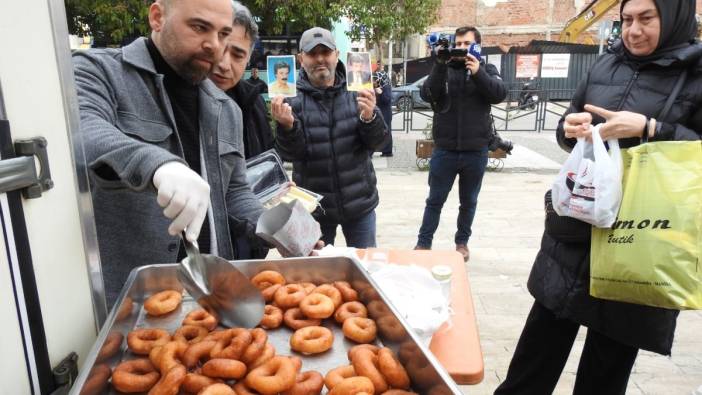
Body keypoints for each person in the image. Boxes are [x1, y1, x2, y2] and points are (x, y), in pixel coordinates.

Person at [495, 1, 702, 394]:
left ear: (674, 18)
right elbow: (569, 127)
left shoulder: (696, 75)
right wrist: (567, 127)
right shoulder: (606, 64)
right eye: (626, 19)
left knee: (604, 376)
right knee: (531, 365)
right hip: (575, 233)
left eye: (646, 19)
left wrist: (652, 128)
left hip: (640, 243)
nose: (633, 30)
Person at [73, 0, 267, 306]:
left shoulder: (227, 109)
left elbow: (236, 192)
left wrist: (274, 228)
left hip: (212, 294)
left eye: (223, 34)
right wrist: (158, 165)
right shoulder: (99, 71)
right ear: (157, 17)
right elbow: (82, 131)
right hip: (131, 301)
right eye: (200, 27)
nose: (214, 45)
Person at [271, 27, 388, 248]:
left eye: (325, 52)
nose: (320, 59)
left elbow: (379, 142)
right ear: (300, 59)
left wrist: (369, 116)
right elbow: (291, 155)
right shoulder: (290, 99)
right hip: (315, 209)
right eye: (312, 53)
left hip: (359, 204)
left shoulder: (359, 91)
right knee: (317, 275)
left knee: (365, 270)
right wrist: (287, 127)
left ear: (336, 54)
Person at [414, 26, 507, 261]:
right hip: (445, 150)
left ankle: (462, 243)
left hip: (475, 151)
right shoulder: (445, 68)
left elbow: (499, 94)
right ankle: (423, 243)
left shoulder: (487, 69)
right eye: (459, 43)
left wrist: (478, 73)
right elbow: (427, 94)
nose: (462, 48)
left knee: (468, 202)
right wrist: (439, 64)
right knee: (434, 200)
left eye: (467, 44)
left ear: (477, 46)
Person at [208, 1, 274, 260]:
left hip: (246, 235)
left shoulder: (247, 102)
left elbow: (239, 184)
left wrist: (275, 186)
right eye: (220, 49)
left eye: (237, 54)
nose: (224, 64)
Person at [373, 67, 393, 157]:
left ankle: (387, 151)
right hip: (377, 110)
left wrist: (379, 91)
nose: (375, 81)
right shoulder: (375, 85)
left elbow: (387, 99)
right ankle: (372, 151)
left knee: (386, 131)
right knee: (374, 131)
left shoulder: (386, 86)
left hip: (385, 112)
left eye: (376, 78)